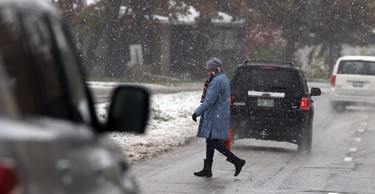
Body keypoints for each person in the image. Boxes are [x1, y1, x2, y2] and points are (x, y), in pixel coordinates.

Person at [192, 57, 245, 177]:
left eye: (208, 70)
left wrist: (197, 112)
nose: (207, 72)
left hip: (216, 116)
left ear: (214, 69)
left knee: (214, 142)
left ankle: (237, 161)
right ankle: (207, 169)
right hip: (217, 115)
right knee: (210, 141)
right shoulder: (222, 78)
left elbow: (209, 100)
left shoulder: (216, 81)